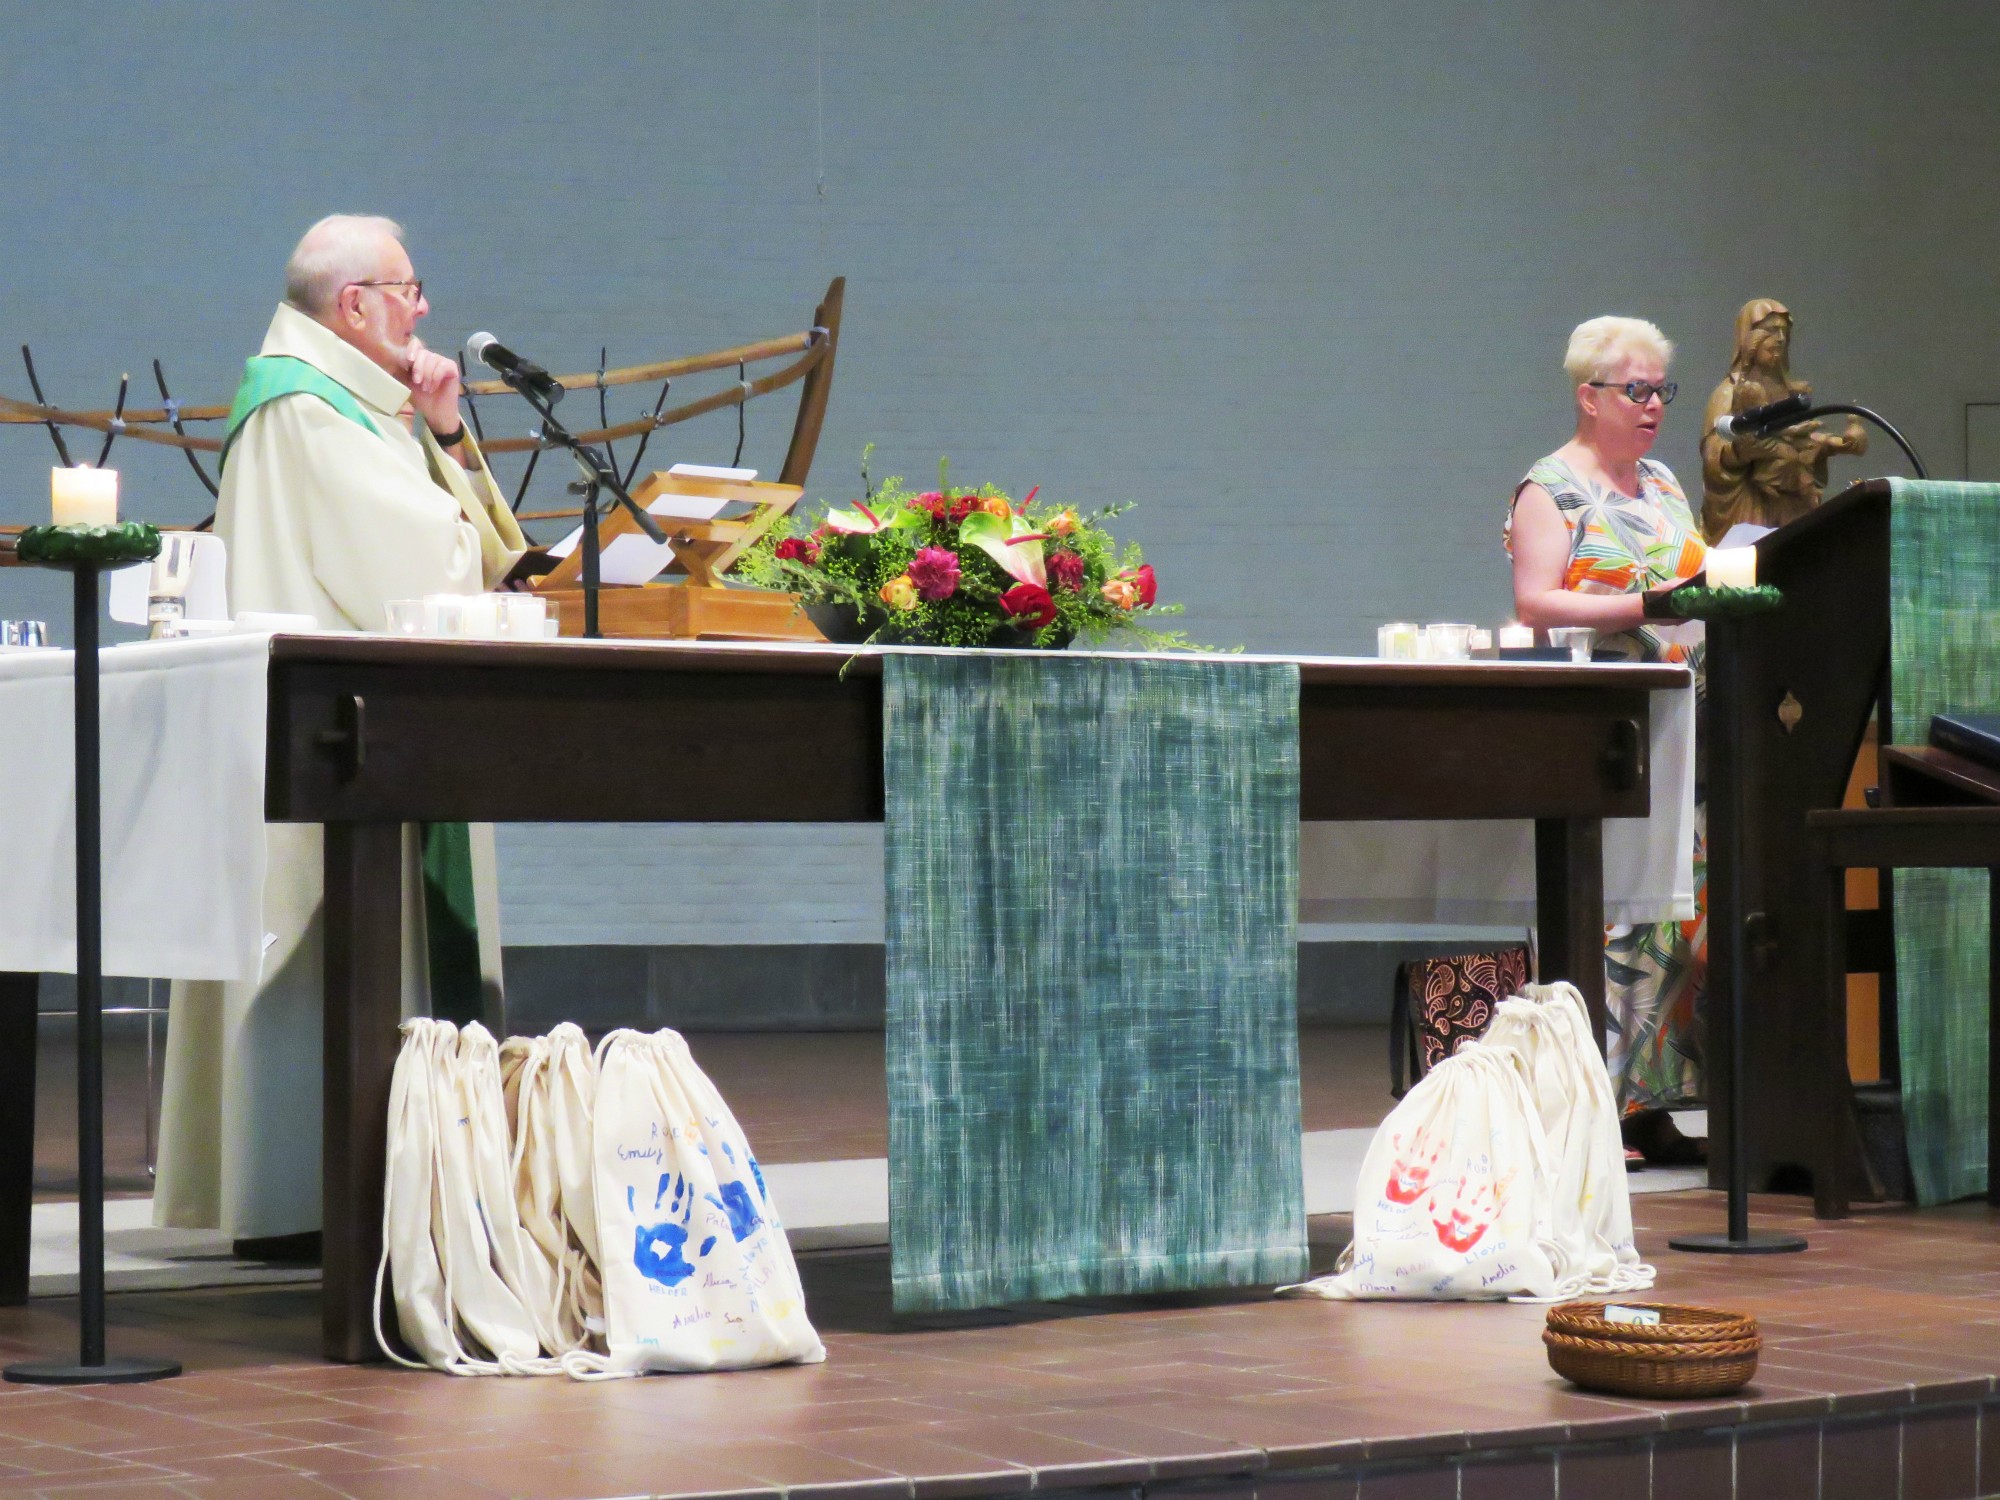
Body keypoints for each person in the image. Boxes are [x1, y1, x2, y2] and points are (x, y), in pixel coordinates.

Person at [155, 215, 526, 1247]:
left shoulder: (344, 402)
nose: (423, 307)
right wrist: (439, 451)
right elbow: (425, 574)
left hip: (361, 722)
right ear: (354, 304)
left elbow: (453, 550)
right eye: (409, 287)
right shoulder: (310, 411)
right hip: (340, 741)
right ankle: (319, 1194)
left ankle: (364, 1184)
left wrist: (445, 433)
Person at [1504, 315, 1706, 1163]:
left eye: (1662, 389)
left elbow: (1693, 575)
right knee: (1606, 912)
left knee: (1671, 915)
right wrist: (1642, 608)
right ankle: (1584, 1108)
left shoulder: (1661, 483)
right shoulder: (1551, 488)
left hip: (1679, 717)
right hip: (1599, 724)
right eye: (1636, 389)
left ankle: (1647, 1103)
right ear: (1590, 397)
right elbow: (1536, 602)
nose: (1653, 404)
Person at [1698, 297, 1867, 542]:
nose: (1780, 338)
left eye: (1783, 331)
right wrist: (1742, 452)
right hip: (1749, 511)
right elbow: (1714, 453)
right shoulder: (1729, 392)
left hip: (1791, 506)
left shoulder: (1791, 393)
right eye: (1770, 330)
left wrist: (1834, 444)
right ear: (1749, 337)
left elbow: (1800, 440)